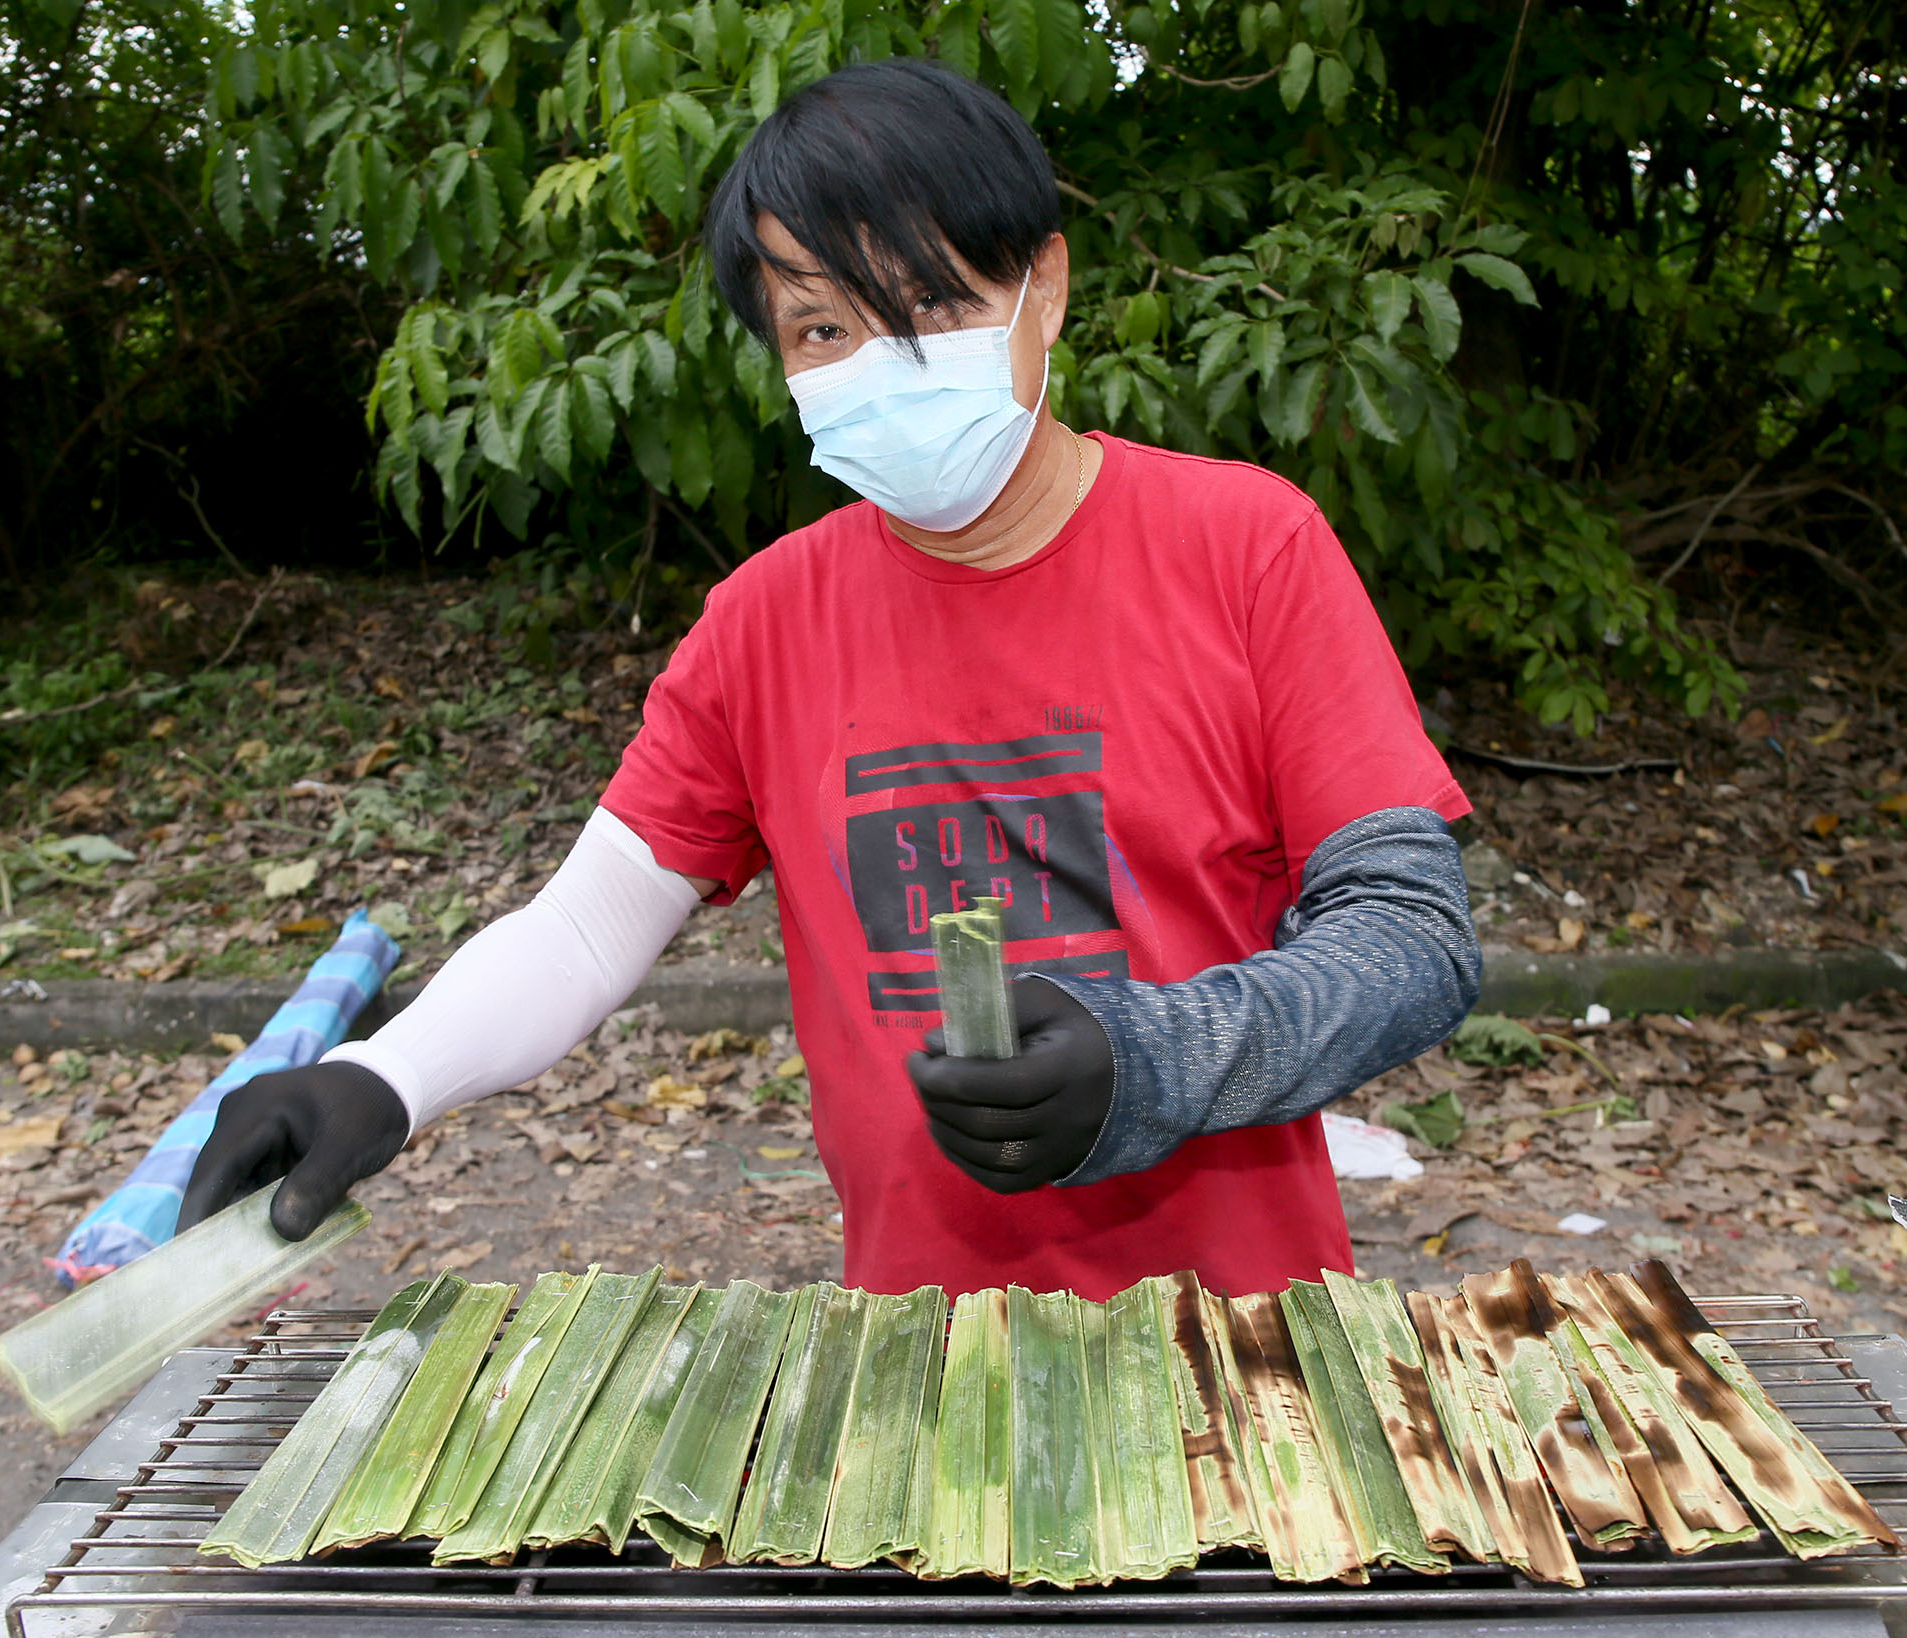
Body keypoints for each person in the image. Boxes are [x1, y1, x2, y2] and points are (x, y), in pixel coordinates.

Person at [179, 58, 1479, 1302]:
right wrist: (381, 1073)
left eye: (931, 301)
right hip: (912, 1358)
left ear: (1047, 286)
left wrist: (1153, 1062)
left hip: (1244, 1342)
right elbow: (585, 927)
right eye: (820, 326)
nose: (884, 362)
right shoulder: (763, 625)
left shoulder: (1247, 547)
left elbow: (1410, 933)